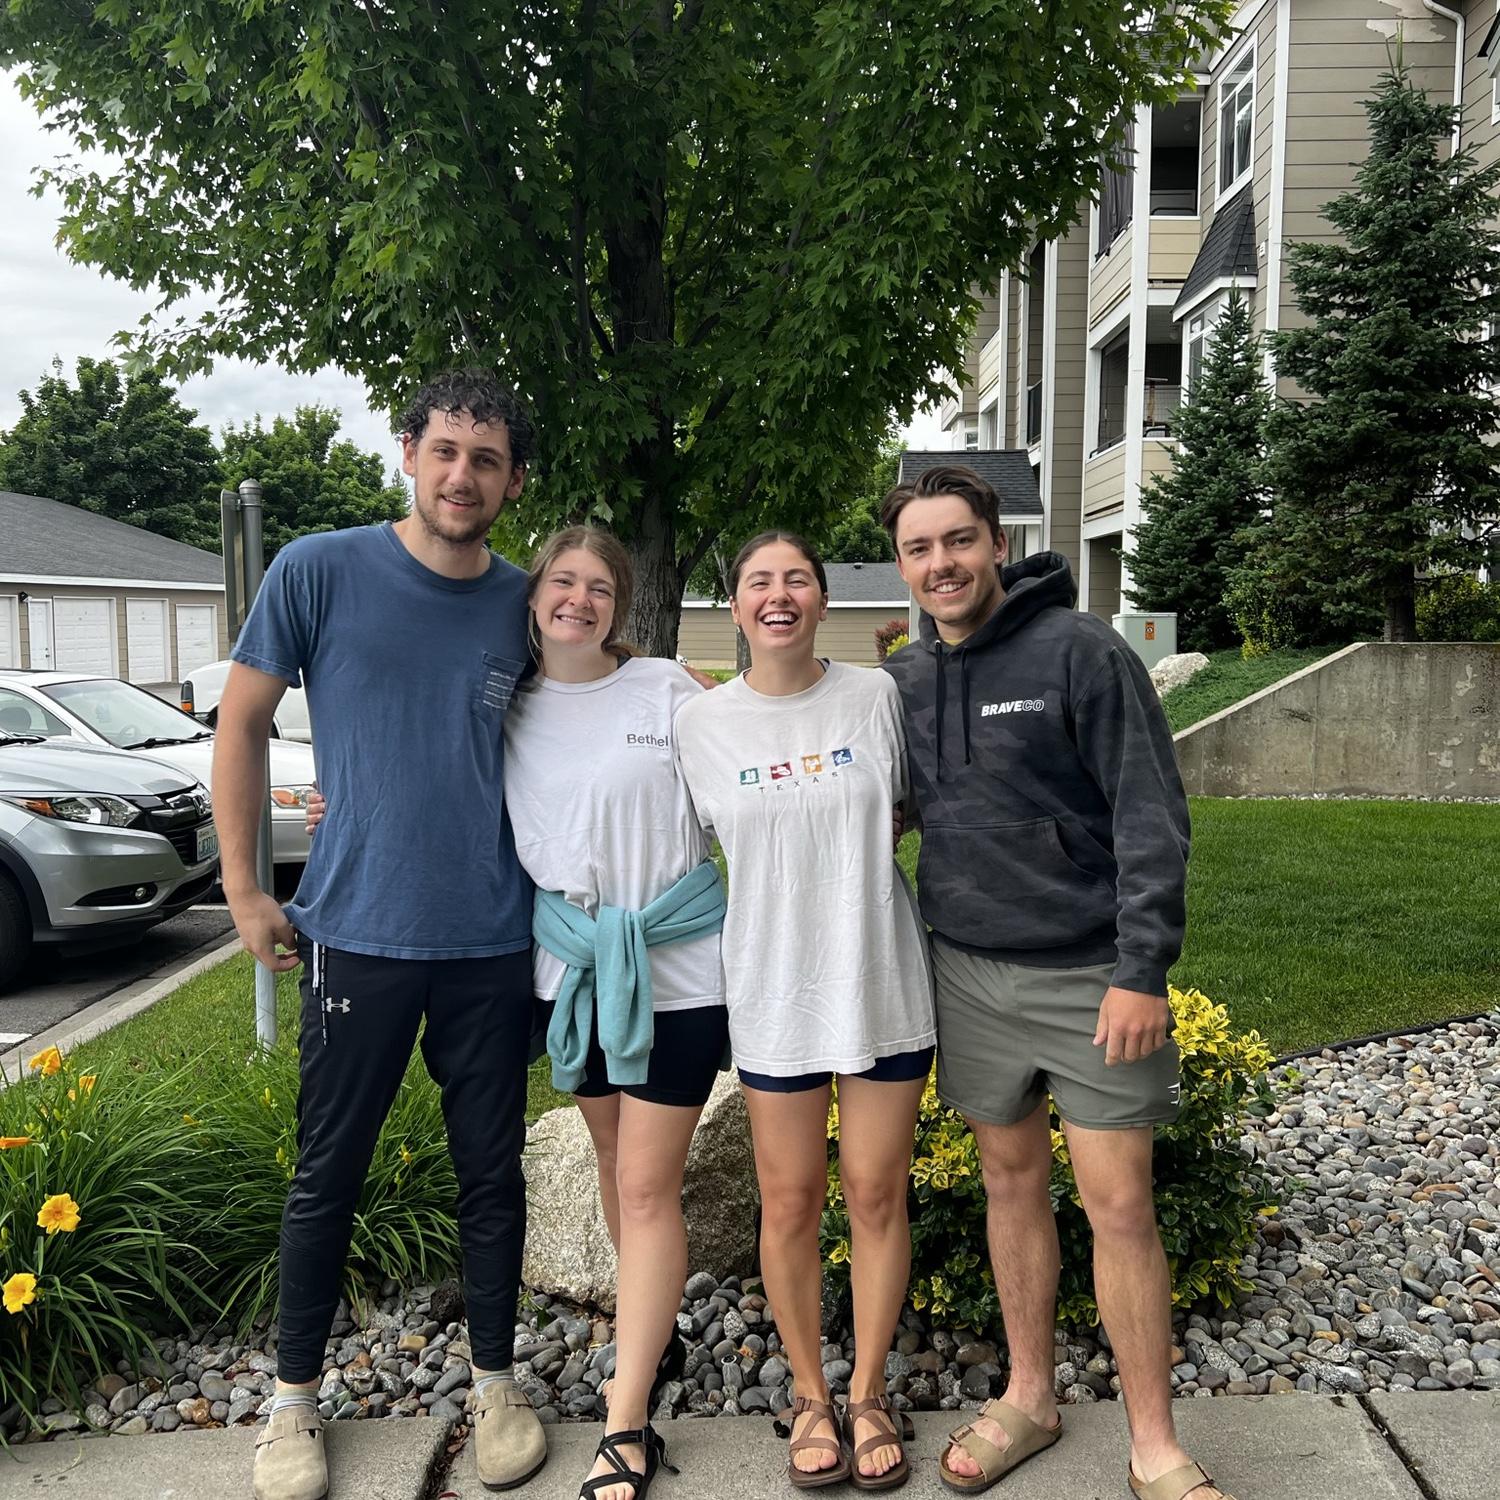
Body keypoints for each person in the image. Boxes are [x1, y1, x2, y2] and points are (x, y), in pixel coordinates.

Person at [307, 525, 728, 1500]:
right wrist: (341, 806)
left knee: (647, 1188)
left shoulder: (667, 690)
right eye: (561, 583)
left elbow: (743, 783)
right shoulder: (504, 705)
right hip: (570, 972)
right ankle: (645, 1342)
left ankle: (628, 1425)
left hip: (675, 969)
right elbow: (427, 785)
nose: (579, 599)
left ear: (620, 603)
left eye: (599, 586)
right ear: (533, 599)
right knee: (623, 1177)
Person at [213, 370, 548, 1500]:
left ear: (511, 479)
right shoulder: (318, 568)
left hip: (493, 939)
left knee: (490, 1174)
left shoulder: (523, 602)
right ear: (407, 451)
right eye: (446, 449)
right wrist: (246, 888)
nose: (464, 474)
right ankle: (294, 1404)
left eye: (488, 459)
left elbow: (592, 710)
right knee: (329, 1173)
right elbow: (243, 722)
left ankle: (498, 1381)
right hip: (354, 932)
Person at [877, 466, 1227, 1500]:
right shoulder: (905, 679)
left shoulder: (1081, 651)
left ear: (996, 540)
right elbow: (891, 805)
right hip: (969, 972)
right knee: (1009, 1182)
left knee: (1120, 1206)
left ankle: (1155, 1444)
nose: (941, 565)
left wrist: (1140, 969)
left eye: (958, 541)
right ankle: (1031, 1396)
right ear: (902, 564)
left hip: (1089, 976)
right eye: (919, 549)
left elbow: (1150, 817)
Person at [673, 532, 936, 1494]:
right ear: (736, 607)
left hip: (878, 980)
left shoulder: (876, 697)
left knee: (873, 1194)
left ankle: (866, 1392)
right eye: (757, 582)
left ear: (824, 600)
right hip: (775, 990)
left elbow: (911, 809)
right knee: (787, 1203)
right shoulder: (702, 726)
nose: (777, 595)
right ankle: (809, 1398)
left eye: (796, 580)